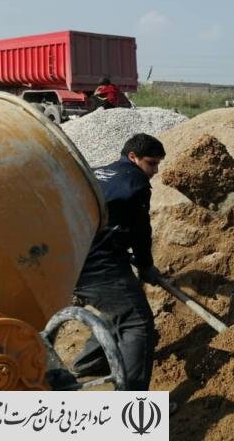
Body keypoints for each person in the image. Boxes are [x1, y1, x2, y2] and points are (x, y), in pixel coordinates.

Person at [72, 133, 165, 391]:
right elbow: (140, 230)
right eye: (151, 163)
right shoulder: (134, 182)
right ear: (132, 157)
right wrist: (146, 265)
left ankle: (88, 364)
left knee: (117, 307)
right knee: (137, 323)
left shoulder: (97, 172)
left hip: (72, 260)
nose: (155, 171)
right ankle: (132, 403)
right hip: (101, 266)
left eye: (158, 164)